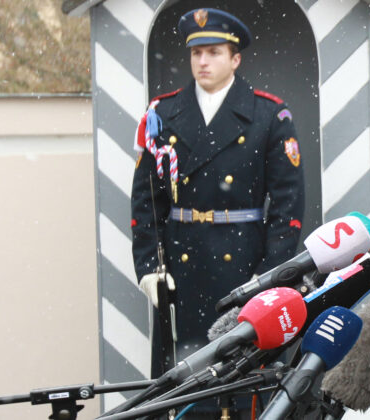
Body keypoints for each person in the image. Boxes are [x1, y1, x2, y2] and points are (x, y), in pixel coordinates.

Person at [130, 7, 305, 418]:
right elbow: (146, 201)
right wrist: (148, 267)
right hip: (181, 270)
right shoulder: (163, 114)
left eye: (212, 52)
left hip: (244, 271)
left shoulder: (269, 114)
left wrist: (268, 277)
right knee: (182, 389)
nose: (202, 62)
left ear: (235, 58)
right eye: (196, 54)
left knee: (241, 389)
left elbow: (287, 208)